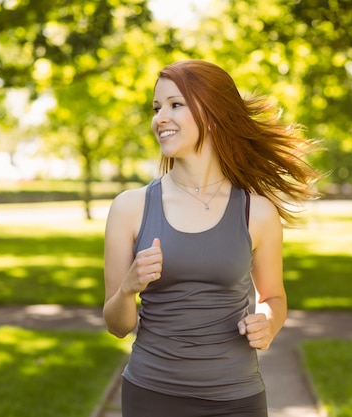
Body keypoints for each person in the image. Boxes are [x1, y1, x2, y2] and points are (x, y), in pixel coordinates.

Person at [103, 60, 319, 417]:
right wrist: (128, 288)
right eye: (157, 108)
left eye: (175, 104)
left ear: (213, 114)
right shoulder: (130, 207)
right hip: (151, 396)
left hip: (237, 399)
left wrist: (268, 322)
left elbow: (274, 297)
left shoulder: (257, 212)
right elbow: (117, 325)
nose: (160, 118)